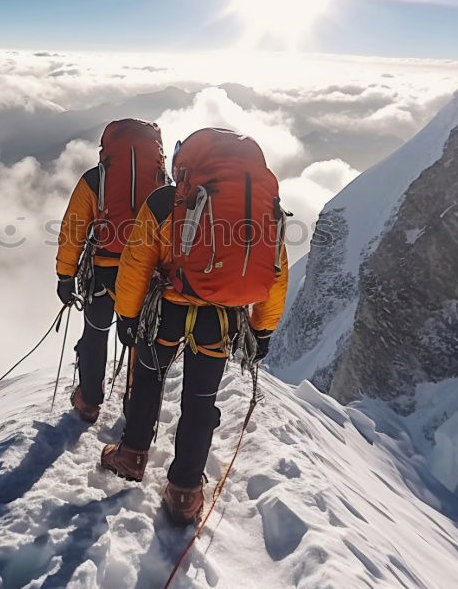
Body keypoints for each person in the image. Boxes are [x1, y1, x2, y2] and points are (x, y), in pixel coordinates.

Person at [100, 127, 289, 524]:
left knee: (148, 379)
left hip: (164, 310)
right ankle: (185, 491)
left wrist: (128, 317)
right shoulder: (260, 206)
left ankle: (133, 455)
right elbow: (275, 267)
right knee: (201, 403)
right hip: (220, 319)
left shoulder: (167, 200)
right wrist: (263, 328)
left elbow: (136, 262)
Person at [56, 119, 168, 424]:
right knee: (140, 340)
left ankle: (89, 401)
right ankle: (135, 408)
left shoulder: (95, 179)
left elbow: (73, 230)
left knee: (95, 333)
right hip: (146, 276)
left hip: (102, 272)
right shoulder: (162, 182)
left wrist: (66, 276)